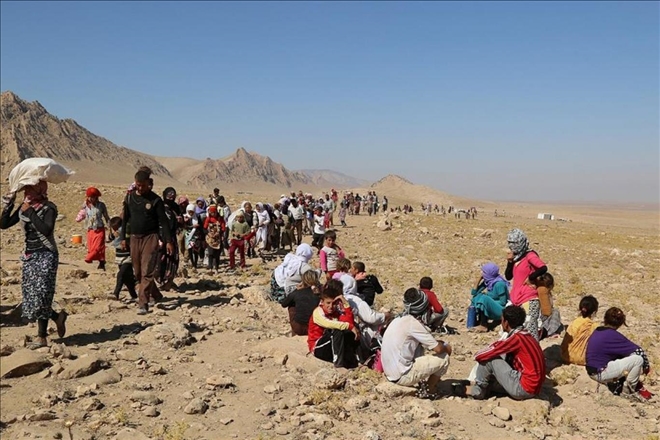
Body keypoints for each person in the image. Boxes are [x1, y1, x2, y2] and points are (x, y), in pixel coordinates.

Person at [1, 181, 67, 348]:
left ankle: (41, 336)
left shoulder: (48, 208)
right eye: (26, 189)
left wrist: (30, 212)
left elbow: (46, 229)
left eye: (31, 189)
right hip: (30, 255)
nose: (28, 192)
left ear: (40, 189)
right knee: (32, 295)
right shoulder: (24, 207)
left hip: (47, 253)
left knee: (43, 293)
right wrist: (9, 204)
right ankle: (57, 317)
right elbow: (4, 224)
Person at [457, 305, 545, 400]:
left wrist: (479, 355)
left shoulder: (516, 338)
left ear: (506, 323)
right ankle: (482, 385)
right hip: (534, 387)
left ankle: (478, 391)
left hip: (523, 388)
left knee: (489, 358)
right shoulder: (527, 335)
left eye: (501, 320)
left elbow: (481, 355)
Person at [381, 288, 452, 399]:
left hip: (390, 373)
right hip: (402, 375)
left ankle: (422, 383)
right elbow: (438, 349)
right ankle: (429, 389)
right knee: (444, 358)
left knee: (418, 347)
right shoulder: (413, 324)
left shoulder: (398, 319)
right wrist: (446, 346)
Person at [120, 170, 173, 315]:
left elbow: (164, 222)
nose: (140, 188)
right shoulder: (130, 198)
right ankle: (156, 294)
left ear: (148, 184)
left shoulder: (155, 200)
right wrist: (123, 238)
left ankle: (143, 303)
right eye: (138, 185)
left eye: (143, 185)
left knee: (147, 270)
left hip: (151, 237)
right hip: (134, 238)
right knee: (137, 273)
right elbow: (125, 219)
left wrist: (168, 241)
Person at [586, 307, 652, 400]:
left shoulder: (598, 330)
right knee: (638, 359)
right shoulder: (613, 335)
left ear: (605, 319)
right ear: (621, 323)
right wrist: (646, 368)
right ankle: (628, 390)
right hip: (600, 372)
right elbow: (639, 351)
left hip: (592, 368)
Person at [505, 228, 547, 340]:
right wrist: (509, 262)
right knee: (514, 334)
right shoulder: (516, 256)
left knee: (530, 333)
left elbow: (543, 268)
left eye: (514, 243)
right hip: (515, 299)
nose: (511, 246)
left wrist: (531, 277)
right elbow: (508, 276)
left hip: (528, 299)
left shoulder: (530, 255)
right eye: (510, 243)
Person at [307, 281, 360, 368]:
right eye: (328, 303)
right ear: (322, 302)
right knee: (337, 331)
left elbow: (349, 322)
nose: (331, 306)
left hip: (331, 346)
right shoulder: (318, 312)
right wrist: (349, 326)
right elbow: (328, 324)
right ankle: (338, 363)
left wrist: (345, 304)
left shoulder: (336, 312)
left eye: (334, 303)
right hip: (318, 347)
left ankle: (358, 359)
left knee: (352, 330)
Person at [76, 186, 110, 270]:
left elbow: (106, 217)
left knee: (98, 247)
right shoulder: (85, 205)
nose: (91, 199)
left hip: (99, 229)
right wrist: (79, 217)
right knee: (91, 248)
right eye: (89, 197)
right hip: (90, 230)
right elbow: (83, 213)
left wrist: (111, 228)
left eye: (93, 197)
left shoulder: (101, 205)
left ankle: (90, 259)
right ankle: (101, 263)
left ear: (96, 197)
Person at [469, 263, 510, 333]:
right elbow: (474, 293)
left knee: (484, 299)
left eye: (484, 272)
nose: (482, 274)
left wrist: (489, 302)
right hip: (493, 307)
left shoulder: (499, 284)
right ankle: (478, 320)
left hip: (501, 310)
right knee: (478, 297)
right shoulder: (488, 281)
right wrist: (478, 279)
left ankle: (483, 325)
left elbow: (503, 302)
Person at [560, 295, 599, 365]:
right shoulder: (593, 326)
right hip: (582, 359)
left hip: (566, 356)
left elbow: (565, 342)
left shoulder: (574, 323)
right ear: (594, 312)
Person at [281, 270, 321, 336]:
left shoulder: (297, 293)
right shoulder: (319, 294)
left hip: (299, 328)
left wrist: (296, 290)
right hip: (314, 327)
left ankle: (293, 332)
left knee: (291, 304)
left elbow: (284, 304)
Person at [109, 217, 137, 301]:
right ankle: (134, 295)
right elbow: (110, 239)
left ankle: (116, 293)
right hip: (119, 257)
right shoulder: (115, 233)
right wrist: (112, 234)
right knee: (127, 277)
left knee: (121, 274)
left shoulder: (125, 231)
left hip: (128, 257)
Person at [159, 187, 181, 291]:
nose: (171, 198)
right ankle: (160, 280)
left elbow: (179, 222)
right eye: (169, 196)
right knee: (160, 259)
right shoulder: (160, 207)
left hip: (172, 237)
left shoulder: (176, 207)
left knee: (173, 259)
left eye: (173, 196)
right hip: (160, 236)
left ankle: (169, 282)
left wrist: (180, 221)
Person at [536, 273, 562, 339]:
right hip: (540, 317)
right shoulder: (543, 291)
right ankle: (550, 332)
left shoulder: (538, 289)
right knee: (555, 312)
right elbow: (546, 311)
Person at [204, 205, 225, 271]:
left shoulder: (220, 219)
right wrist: (209, 234)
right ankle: (210, 267)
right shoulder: (208, 219)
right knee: (210, 253)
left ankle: (216, 268)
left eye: (214, 212)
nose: (213, 214)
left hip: (218, 238)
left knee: (217, 254)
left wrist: (218, 233)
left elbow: (223, 228)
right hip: (210, 238)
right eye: (211, 212)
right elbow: (204, 228)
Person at [183, 203, 204, 269]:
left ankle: (195, 264)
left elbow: (201, 226)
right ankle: (192, 263)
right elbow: (184, 226)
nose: (191, 213)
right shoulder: (185, 217)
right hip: (189, 236)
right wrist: (192, 226)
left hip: (196, 236)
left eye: (192, 212)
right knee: (190, 250)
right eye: (190, 212)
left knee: (196, 250)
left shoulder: (197, 217)